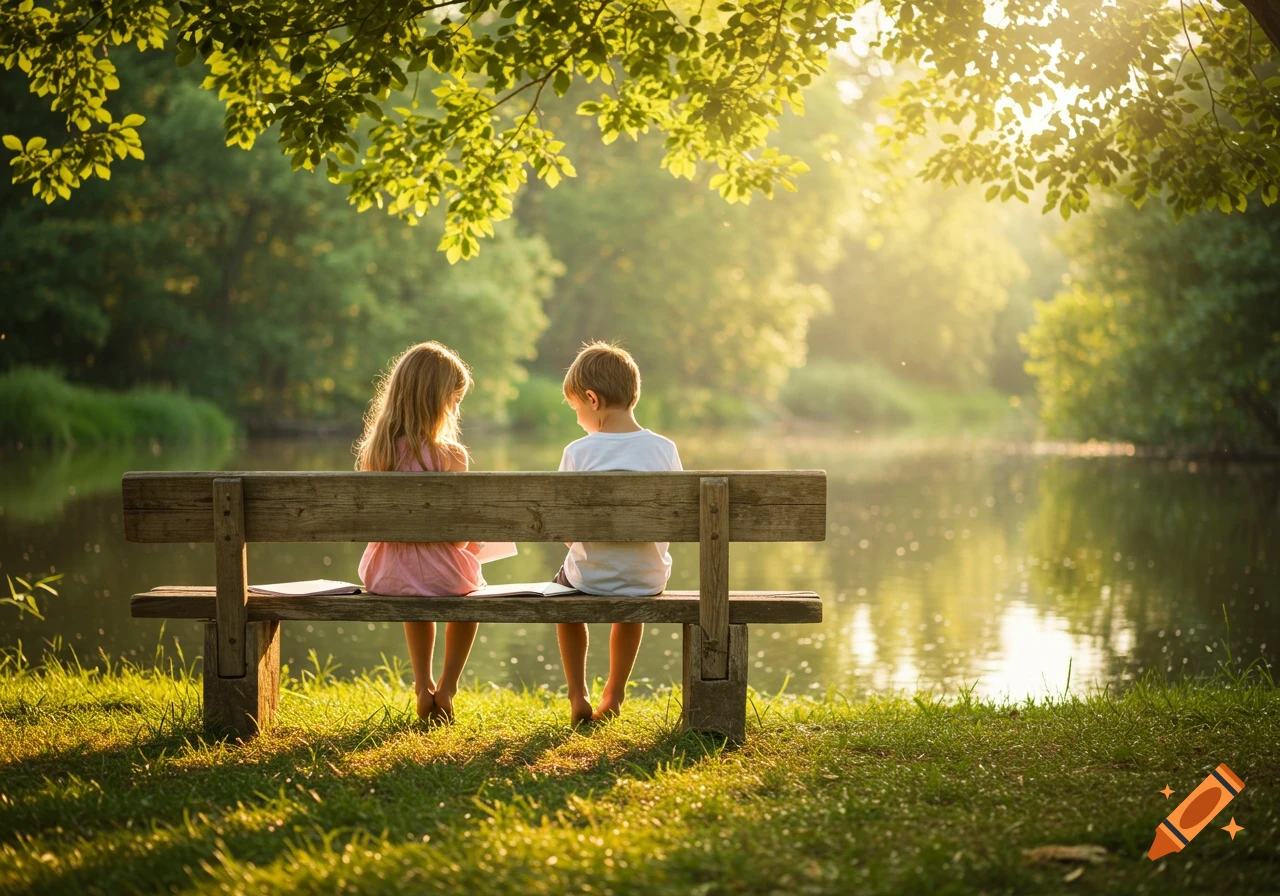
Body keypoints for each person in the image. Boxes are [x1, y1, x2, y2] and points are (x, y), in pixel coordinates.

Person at [553, 341, 682, 724]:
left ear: (592, 399)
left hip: (589, 577)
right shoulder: (664, 449)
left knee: (563, 595)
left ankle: (578, 695)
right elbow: (675, 521)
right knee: (631, 595)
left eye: (576, 409)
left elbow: (562, 527)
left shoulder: (578, 452)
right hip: (647, 578)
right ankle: (615, 693)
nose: (577, 419)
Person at [355, 341, 482, 723]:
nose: (456, 408)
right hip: (441, 575)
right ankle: (446, 689)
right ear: (439, 400)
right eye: (455, 399)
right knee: (468, 594)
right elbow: (456, 538)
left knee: (415, 580)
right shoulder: (451, 456)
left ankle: (421, 684)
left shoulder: (377, 454)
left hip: (385, 574)